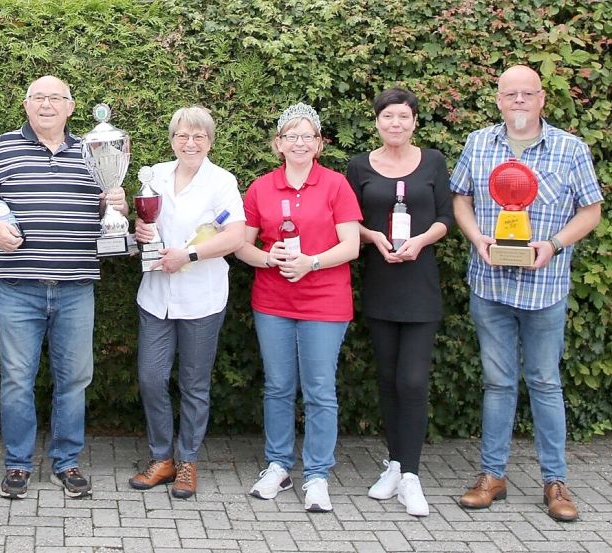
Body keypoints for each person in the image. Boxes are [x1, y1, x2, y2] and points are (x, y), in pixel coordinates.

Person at [0, 75, 128, 500]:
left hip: (76, 285)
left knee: (74, 378)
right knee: (17, 378)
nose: (47, 105)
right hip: (19, 286)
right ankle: (18, 465)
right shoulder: (2, 147)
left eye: (56, 98)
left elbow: (107, 203)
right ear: (26, 105)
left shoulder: (93, 151)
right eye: (39, 97)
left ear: (71, 107)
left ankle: (66, 462)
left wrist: (117, 206)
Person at [451, 64, 602, 522]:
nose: (518, 101)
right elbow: (461, 197)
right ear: (498, 99)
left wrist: (554, 245)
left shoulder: (570, 148)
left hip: (546, 287)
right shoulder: (479, 143)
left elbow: (591, 210)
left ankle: (555, 482)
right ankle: (492, 476)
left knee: (545, 383)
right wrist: (477, 237)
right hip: (491, 284)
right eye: (509, 94)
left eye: (527, 94)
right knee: (497, 383)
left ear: (541, 99)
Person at [234, 103, 361, 512]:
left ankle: (319, 473)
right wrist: (269, 259)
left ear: (319, 143)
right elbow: (242, 245)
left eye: (308, 136)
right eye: (292, 136)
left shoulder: (336, 185)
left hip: (325, 300)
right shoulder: (260, 188)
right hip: (272, 300)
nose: (300, 143)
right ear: (278, 144)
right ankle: (278, 465)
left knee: (320, 390)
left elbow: (351, 245)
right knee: (278, 386)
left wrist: (312, 262)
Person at [346, 88, 454, 517]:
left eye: (403, 117)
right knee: (388, 379)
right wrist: (374, 239)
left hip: (420, 280)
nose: (396, 123)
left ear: (413, 122)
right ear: (377, 121)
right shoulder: (358, 166)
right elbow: (350, 219)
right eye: (388, 116)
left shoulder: (433, 163)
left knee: (412, 380)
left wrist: (421, 241)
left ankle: (411, 474)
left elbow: (446, 217)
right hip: (381, 280)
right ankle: (394, 464)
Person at [127, 106, 244, 499]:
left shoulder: (222, 181)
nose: (189, 143)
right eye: (182, 135)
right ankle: (162, 458)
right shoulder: (154, 175)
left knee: (194, 384)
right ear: (172, 139)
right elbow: (144, 225)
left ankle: (188, 461)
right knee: (151, 378)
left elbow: (235, 238)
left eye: (198, 136)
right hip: (156, 296)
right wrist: (140, 229)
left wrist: (189, 257)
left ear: (210, 141)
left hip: (202, 299)